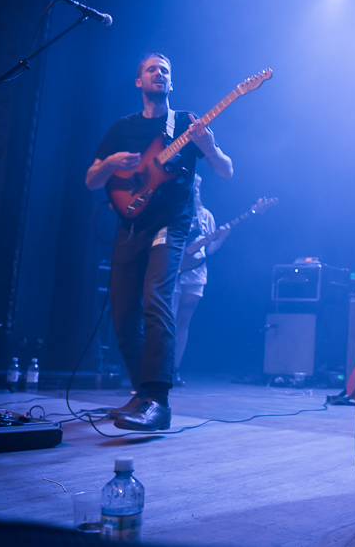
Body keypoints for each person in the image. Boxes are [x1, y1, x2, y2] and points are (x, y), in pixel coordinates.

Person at [85, 53, 233, 431]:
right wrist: (111, 162)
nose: (159, 74)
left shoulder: (186, 123)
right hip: (130, 225)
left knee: (156, 299)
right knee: (122, 315)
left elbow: (226, 170)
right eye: (152, 69)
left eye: (165, 70)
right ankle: (142, 392)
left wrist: (210, 146)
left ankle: (159, 402)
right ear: (139, 82)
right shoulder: (123, 127)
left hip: (171, 224)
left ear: (171, 82)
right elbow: (92, 181)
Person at [172, 174, 230, 385]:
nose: (195, 191)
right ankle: (159, 369)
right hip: (174, 269)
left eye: (197, 188)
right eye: (192, 187)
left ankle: (175, 369)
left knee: (183, 321)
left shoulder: (207, 216)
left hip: (196, 273)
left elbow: (210, 249)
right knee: (168, 318)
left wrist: (222, 237)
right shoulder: (175, 211)